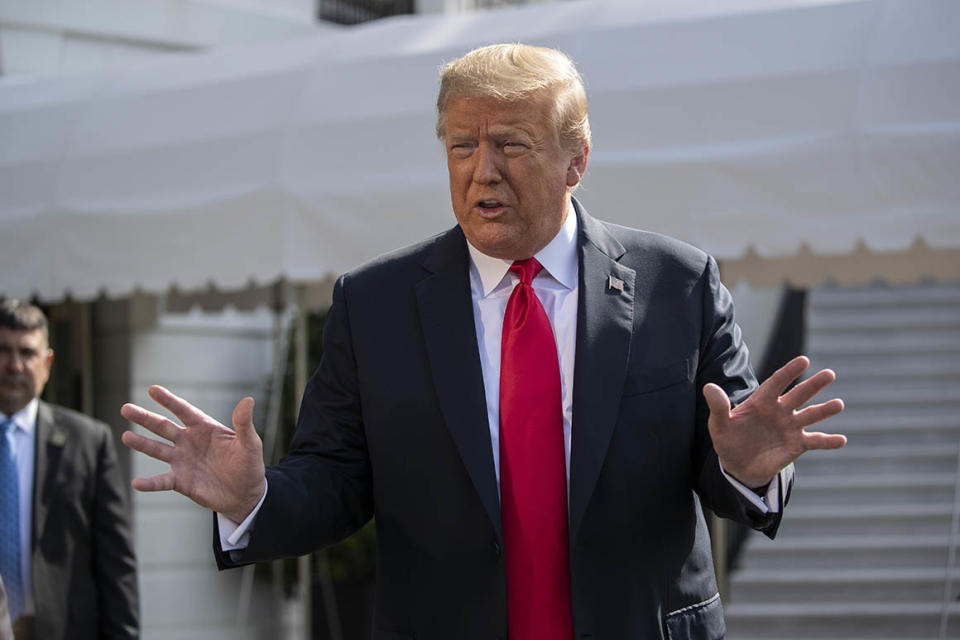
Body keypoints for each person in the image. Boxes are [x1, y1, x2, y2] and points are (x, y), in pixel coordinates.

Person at [121, 44, 845, 639]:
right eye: (461, 145)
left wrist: (747, 469)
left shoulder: (677, 284)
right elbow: (336, 477)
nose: (481, 170)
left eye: (511, 145)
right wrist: (255, 498)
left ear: (577, 160)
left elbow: (729, 452)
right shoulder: (374, 304)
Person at [0, 300, 139, 640]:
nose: (14, 365)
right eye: (3, 350)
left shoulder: (88, 442)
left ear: (47, 363)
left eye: (27, 353)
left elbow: (116, 563)